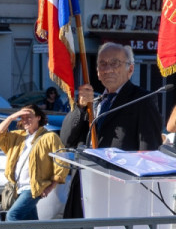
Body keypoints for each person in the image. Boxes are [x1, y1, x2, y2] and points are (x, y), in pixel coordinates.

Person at [60, 42, 163, 218]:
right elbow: (66, 139)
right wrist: (80, 108)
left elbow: (148, 154)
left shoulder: (142, 101)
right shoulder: (95, 103)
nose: (107, 69)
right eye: (103, 64)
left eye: (115, 63)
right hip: (85, 192)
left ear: (130, 69)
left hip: (119, 196)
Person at [0, 104, 68, 229]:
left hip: (34, 188)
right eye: (23, 117)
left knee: (13, 216)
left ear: (38, 117)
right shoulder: (18, 136)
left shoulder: (50, 137)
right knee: (32, 227)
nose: (25, 120)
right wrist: (13, 116)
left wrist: (51, 186)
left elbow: (61, 162)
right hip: (18, 187)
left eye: (29, 117)